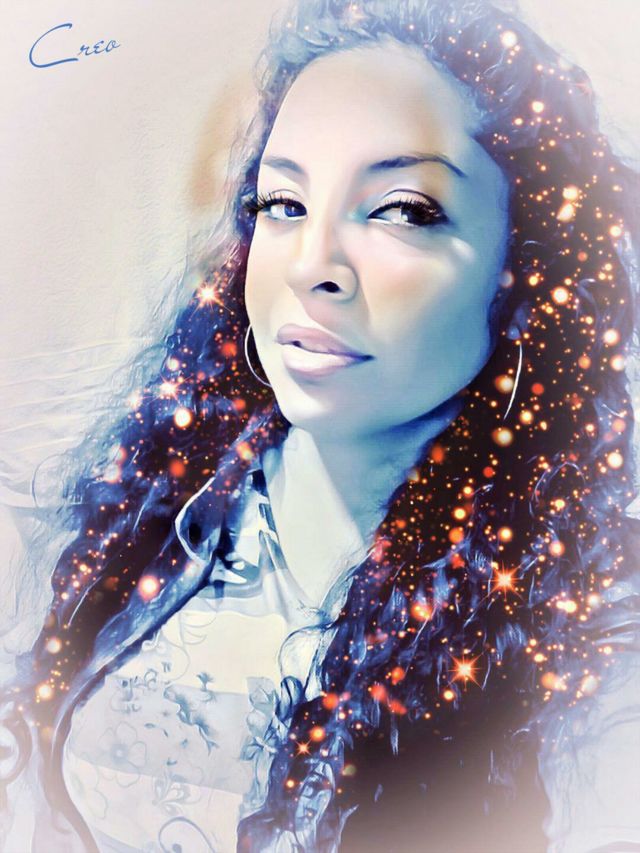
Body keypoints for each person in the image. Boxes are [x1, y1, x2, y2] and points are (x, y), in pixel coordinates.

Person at [2, 0, 639, 850]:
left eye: (403, 209)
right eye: (283, 202)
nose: (312, 267)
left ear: (521, 272)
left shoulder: (593, 639)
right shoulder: (131, 512)